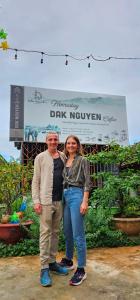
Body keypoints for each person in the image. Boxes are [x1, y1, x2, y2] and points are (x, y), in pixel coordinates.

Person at [32, 132, 68, 287]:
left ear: (58, 141)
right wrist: (36, 201)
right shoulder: (40, 157)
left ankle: (53, 262)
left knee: (55, 233)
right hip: (46, 202)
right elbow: (36, 181)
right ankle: (44, 267)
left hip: (60, 201)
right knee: (45, 233)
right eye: (50, 139)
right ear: (46, 141)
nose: (53, 141)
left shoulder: (63, 157)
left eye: (55, 139)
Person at [60, 135, 91, 286]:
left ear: (78, 145)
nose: (71, 145)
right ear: (65, 145)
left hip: (77, 194)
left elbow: (87, 182)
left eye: (73, 143)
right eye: (68, 143)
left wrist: (85, 201)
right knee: (67, 231)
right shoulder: (65, 160)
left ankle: (81, 269)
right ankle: (68, 259)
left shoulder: (83, 160)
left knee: (78, 233)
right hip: (65, 196)